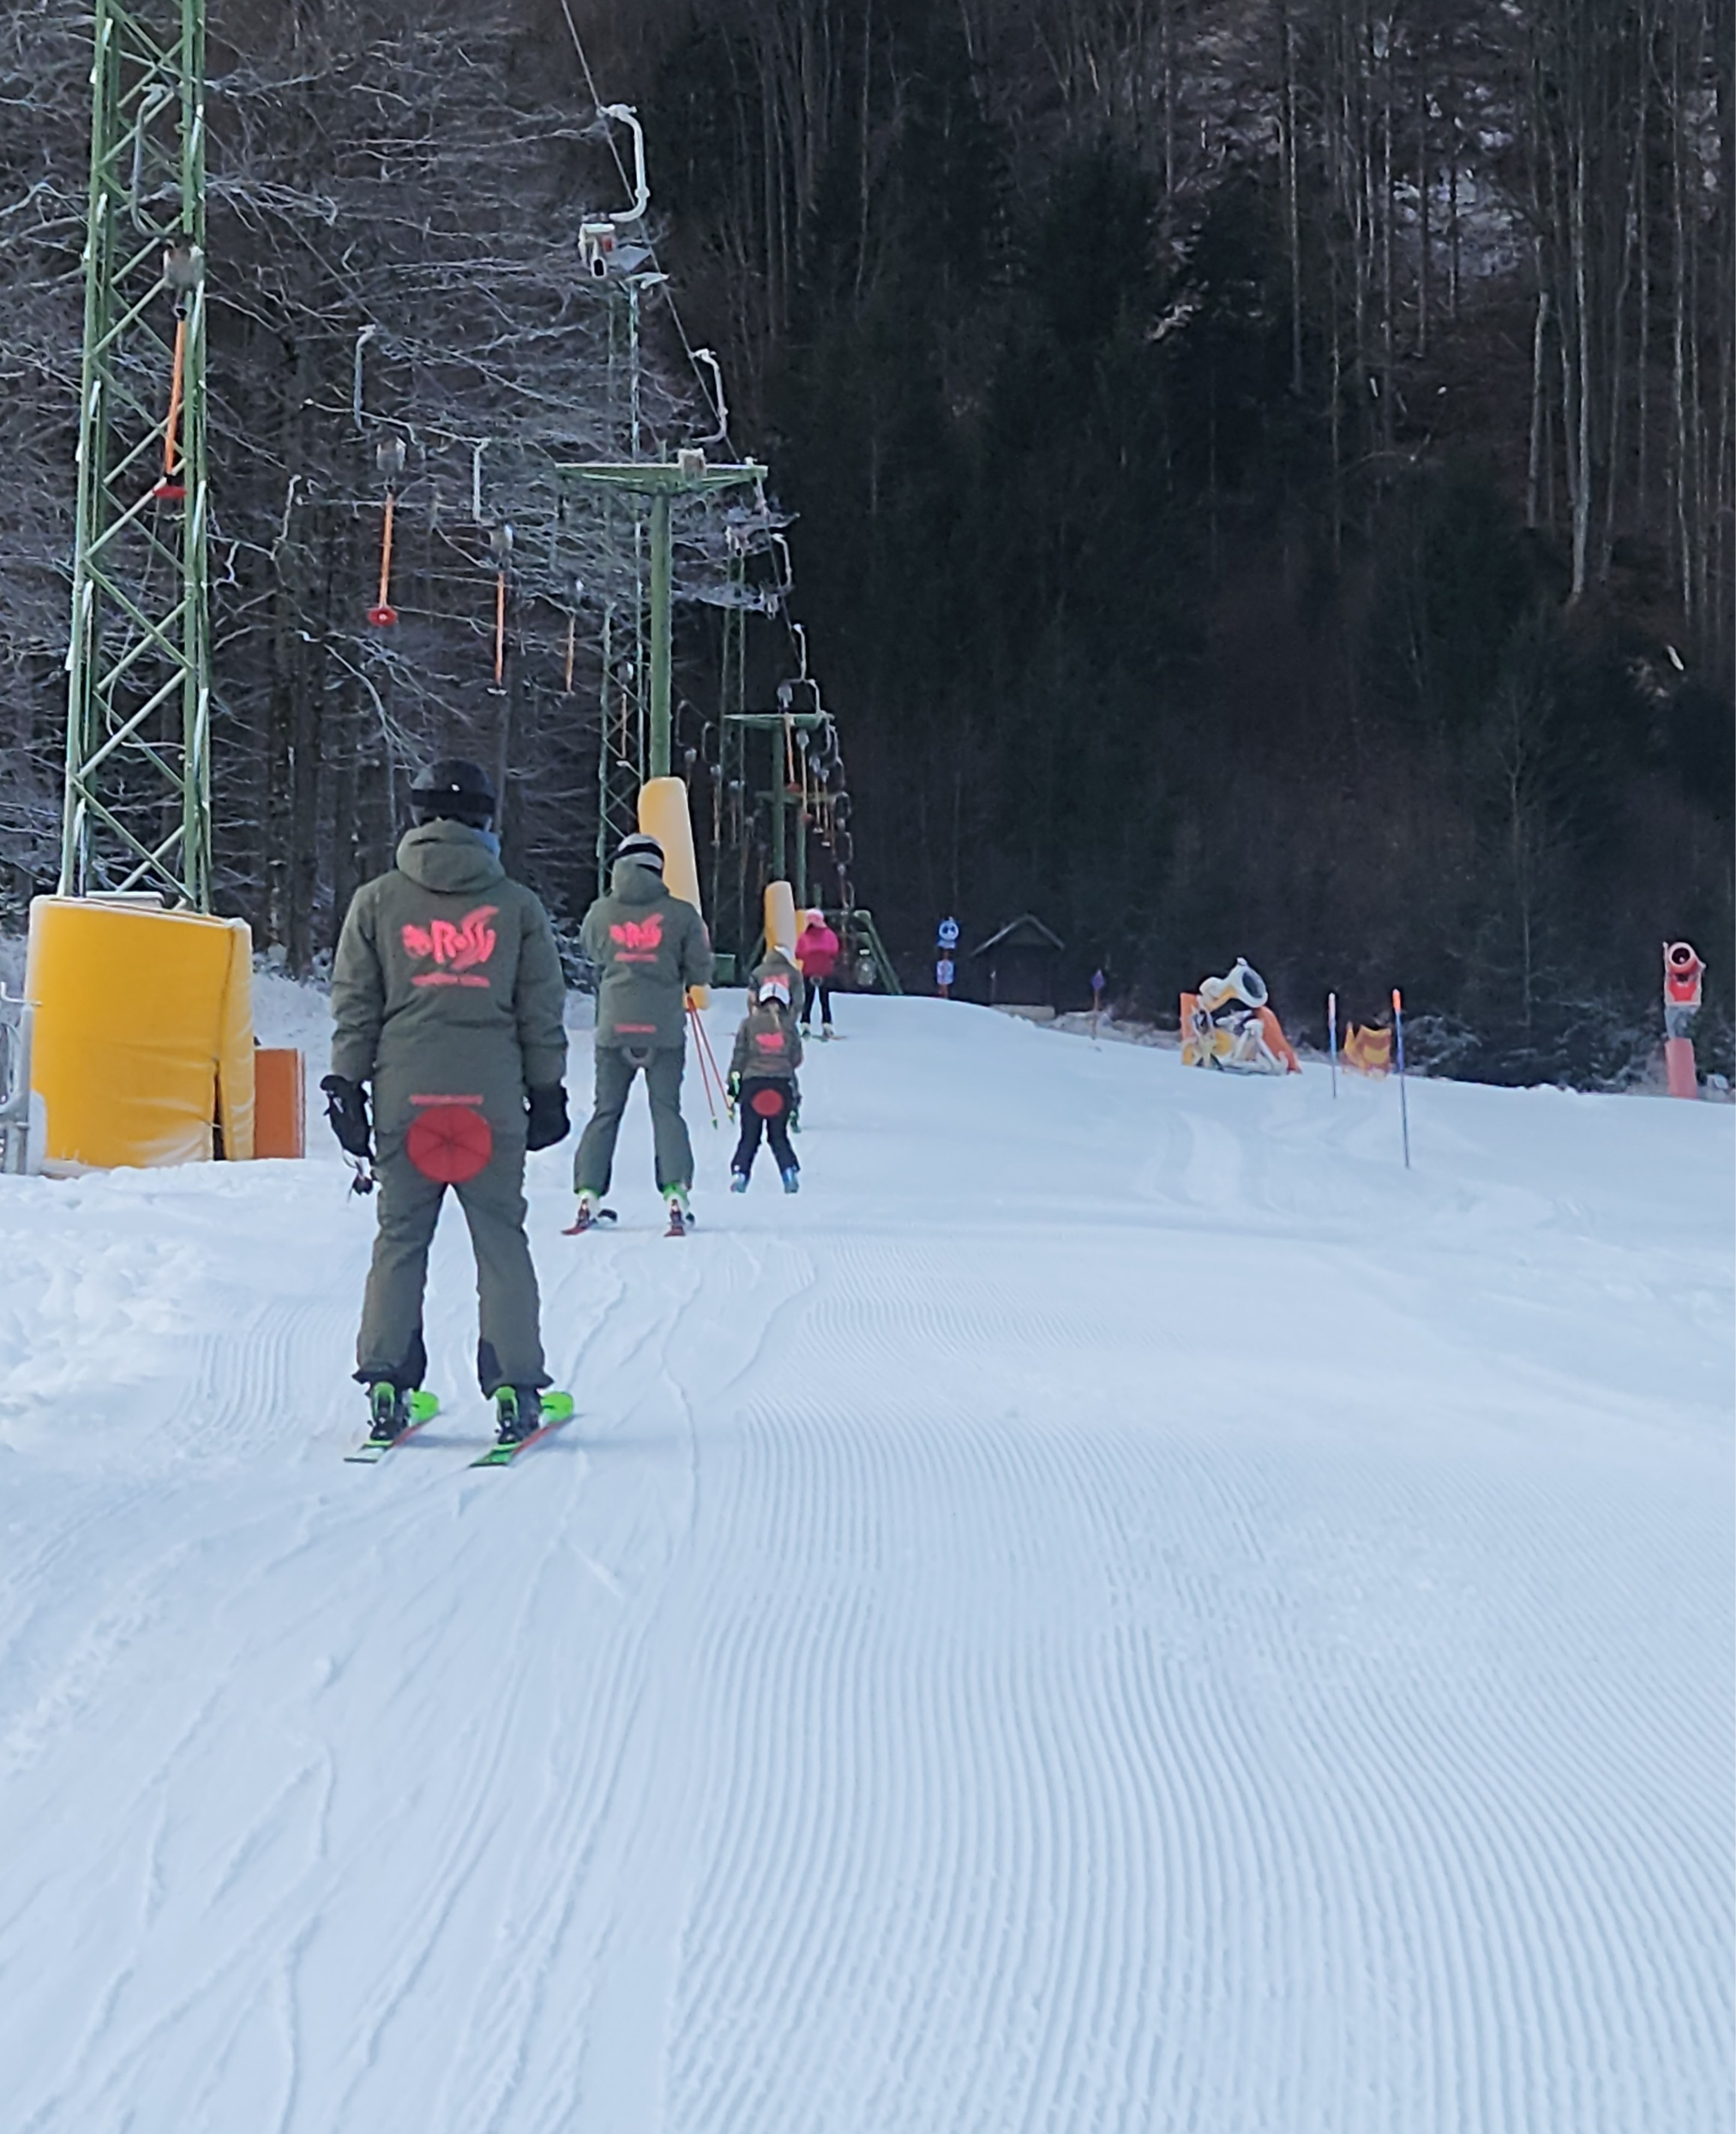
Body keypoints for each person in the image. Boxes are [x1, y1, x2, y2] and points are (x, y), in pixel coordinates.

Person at [323, 758, 569, 1447]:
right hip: (489, 1103)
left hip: (408, 1100)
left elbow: (354, 1005)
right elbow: (540, 1010)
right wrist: (546, 1091)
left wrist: (346, 1085)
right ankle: (517, 1387)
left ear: (417, 815)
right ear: (488, 821)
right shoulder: (516, 907)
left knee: (401, 1239)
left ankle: (385, 1381)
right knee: (500, 1239)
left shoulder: (376, 902)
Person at [571, 831, 713, 1234]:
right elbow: (702, 970)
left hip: (614, 1025)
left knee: (606, 1110)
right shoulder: (683, 914)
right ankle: (675, 1195)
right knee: (666, 1110)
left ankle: (588, 1194)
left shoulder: (601, 911)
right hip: (664, 1027)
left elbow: (591, 952)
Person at [728, 972, 803, 1193]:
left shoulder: (749, 1024)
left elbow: (739, 1058)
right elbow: (796, 1058)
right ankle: (789, 1171)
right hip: (782, 1087)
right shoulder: (789, 1027)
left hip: (753, 1085)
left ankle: (741, 1173)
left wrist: (732, 1088)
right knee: (778, 1135)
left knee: (749, 1136)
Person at [796, 907, 841, 1037]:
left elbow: (798, 953)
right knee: (824, 998)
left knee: (808, 999)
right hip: (825, 970)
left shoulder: (804, 937)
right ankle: (827, 1024)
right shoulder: (829, 935)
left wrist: (809, 955)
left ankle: (805, 1024)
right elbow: (834, 951)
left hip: (809, 971)